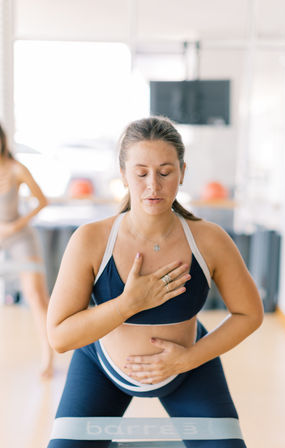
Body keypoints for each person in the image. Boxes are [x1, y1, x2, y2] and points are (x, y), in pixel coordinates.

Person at [47, 116, 264, 447]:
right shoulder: (90, 239)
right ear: (123, 175)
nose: (154, 185)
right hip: (101, 369)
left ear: (182, 172)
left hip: (190, 367)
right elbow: (59, 337)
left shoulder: (210, 239)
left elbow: (250, 313)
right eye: (141, 173)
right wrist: (128, 303)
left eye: (165, 172)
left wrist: (187, 359)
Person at [0, 123, 53, 378]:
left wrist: (14, 226)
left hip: (19, 236)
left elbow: (42, 201)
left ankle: (48, 357)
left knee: (35, 295)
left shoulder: (17, 169)